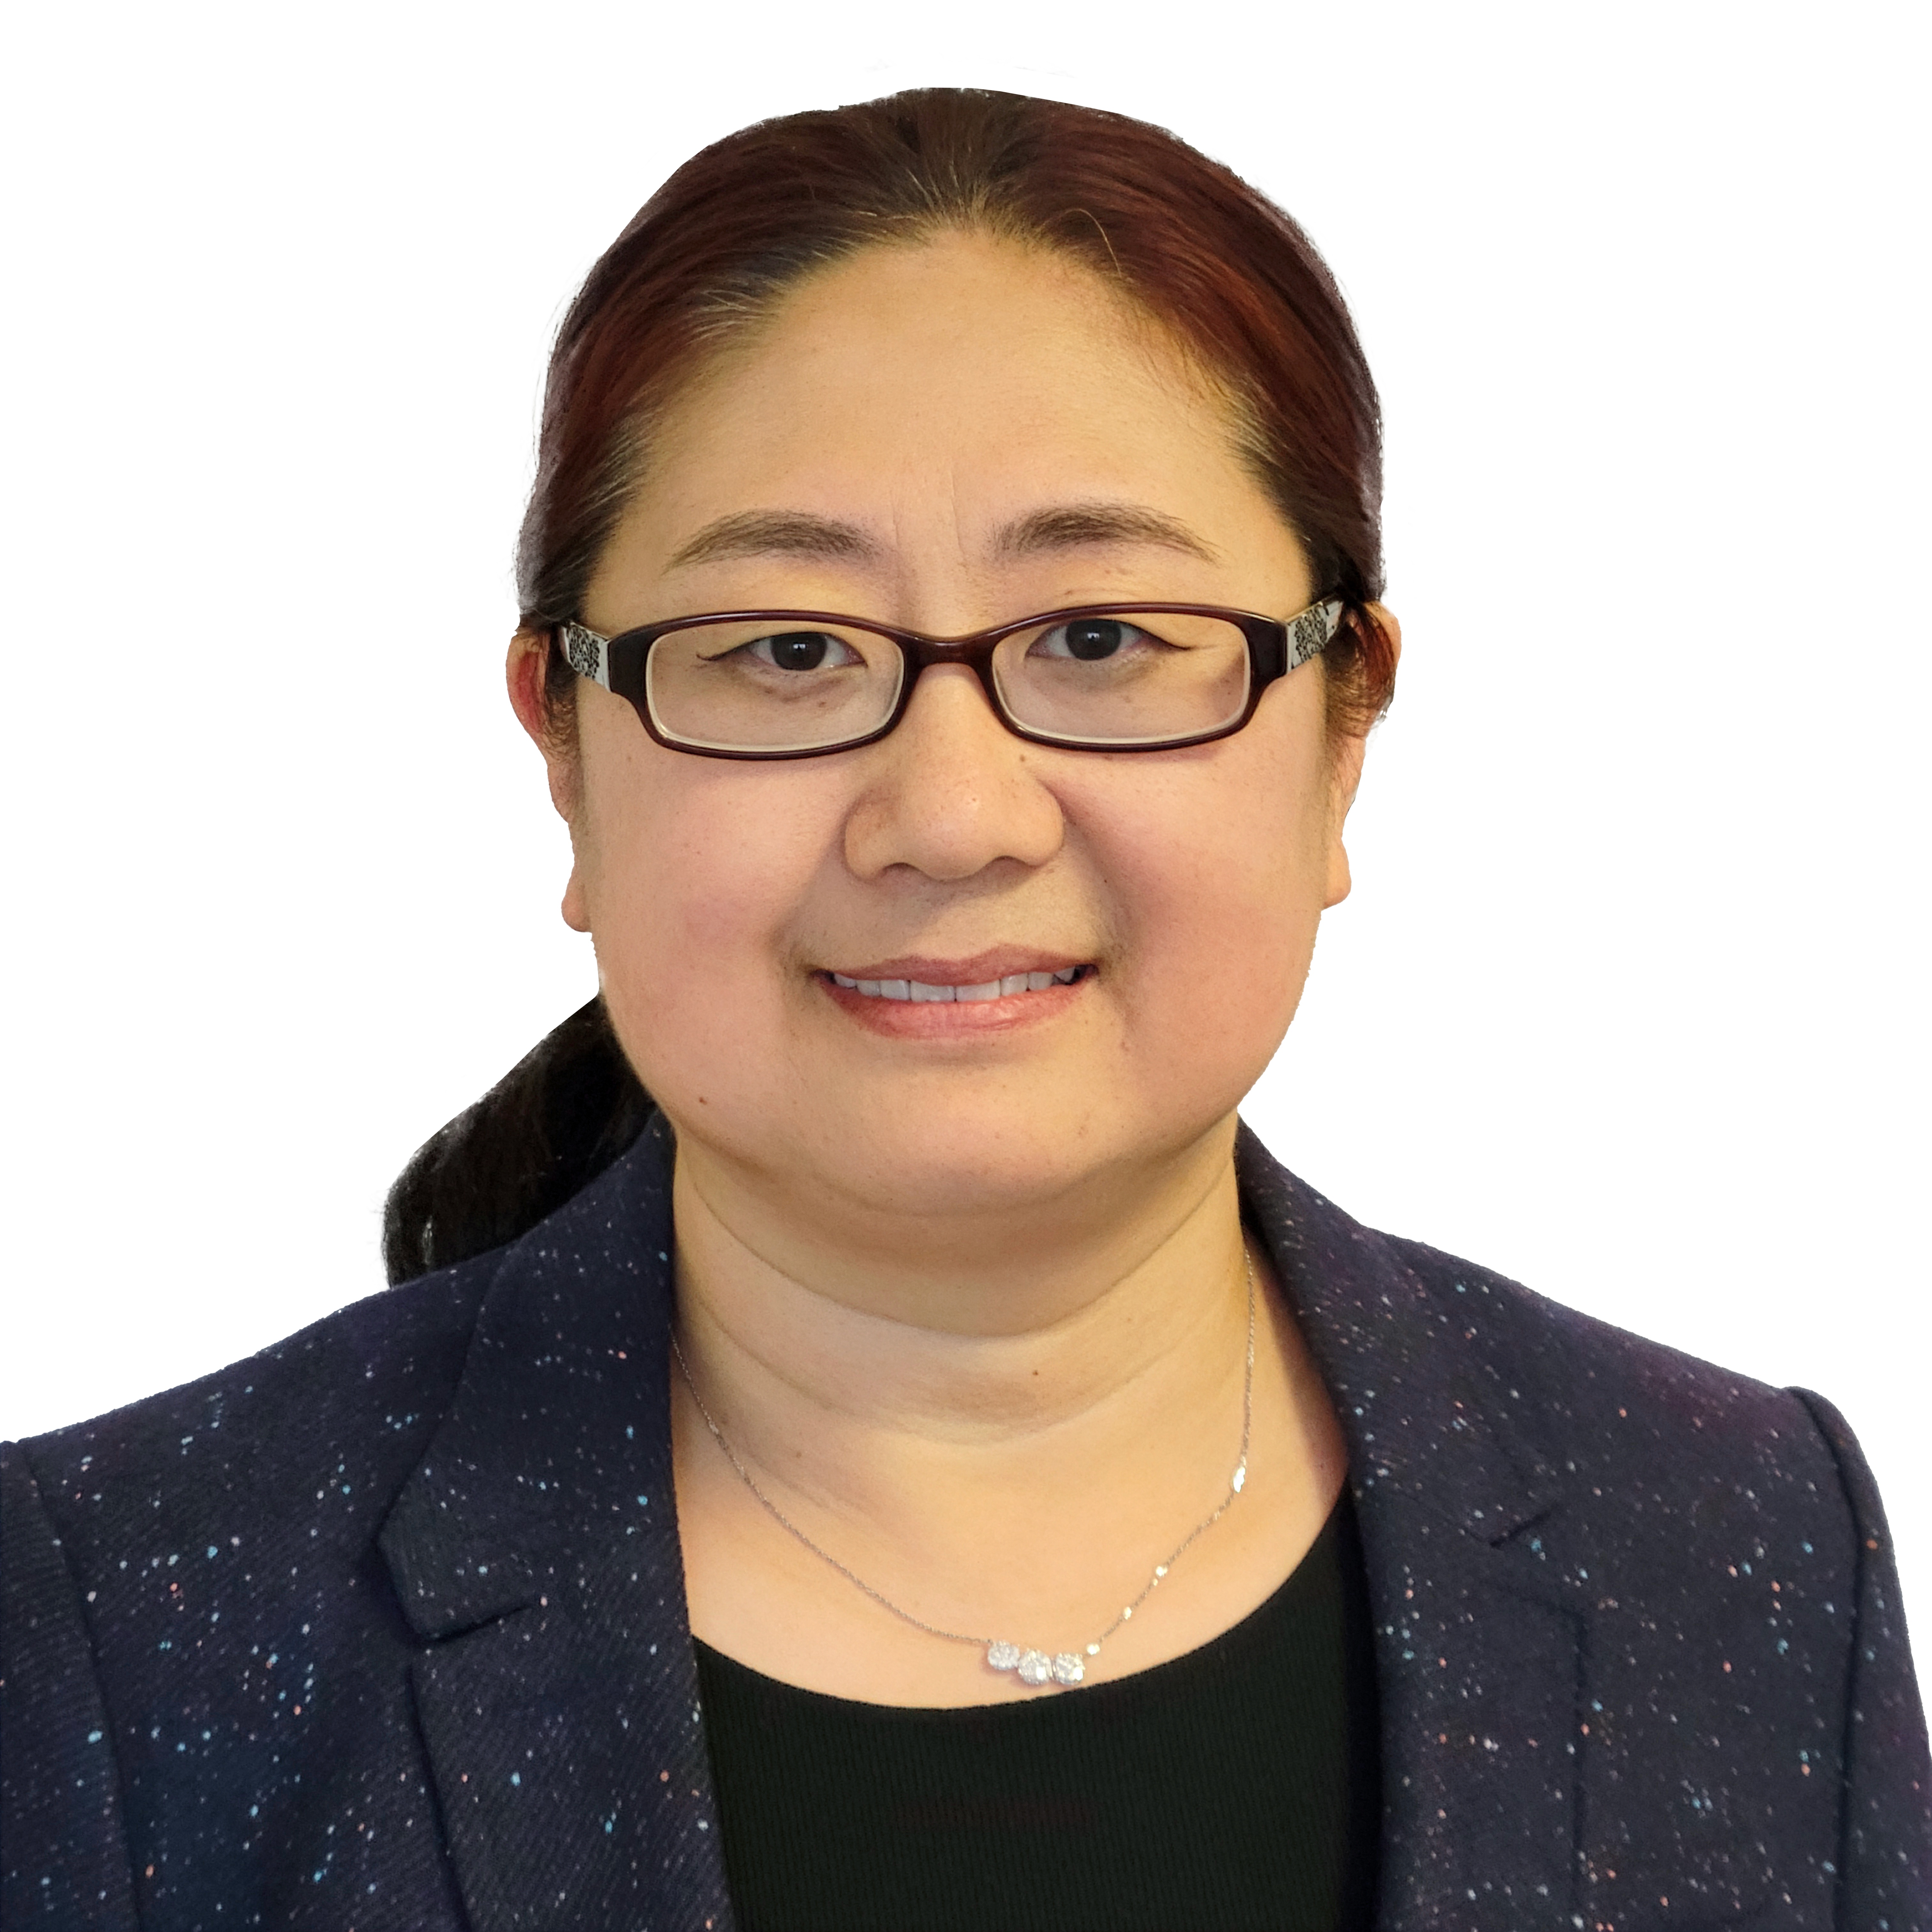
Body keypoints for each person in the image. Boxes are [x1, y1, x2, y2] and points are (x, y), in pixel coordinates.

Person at [3, 87, 1926, 1932]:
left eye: (1101, 639)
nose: (950, 815)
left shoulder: (1737, 1541)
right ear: (566, 754)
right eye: (786, 650)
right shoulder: (112, 1619)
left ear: (1345, 734)